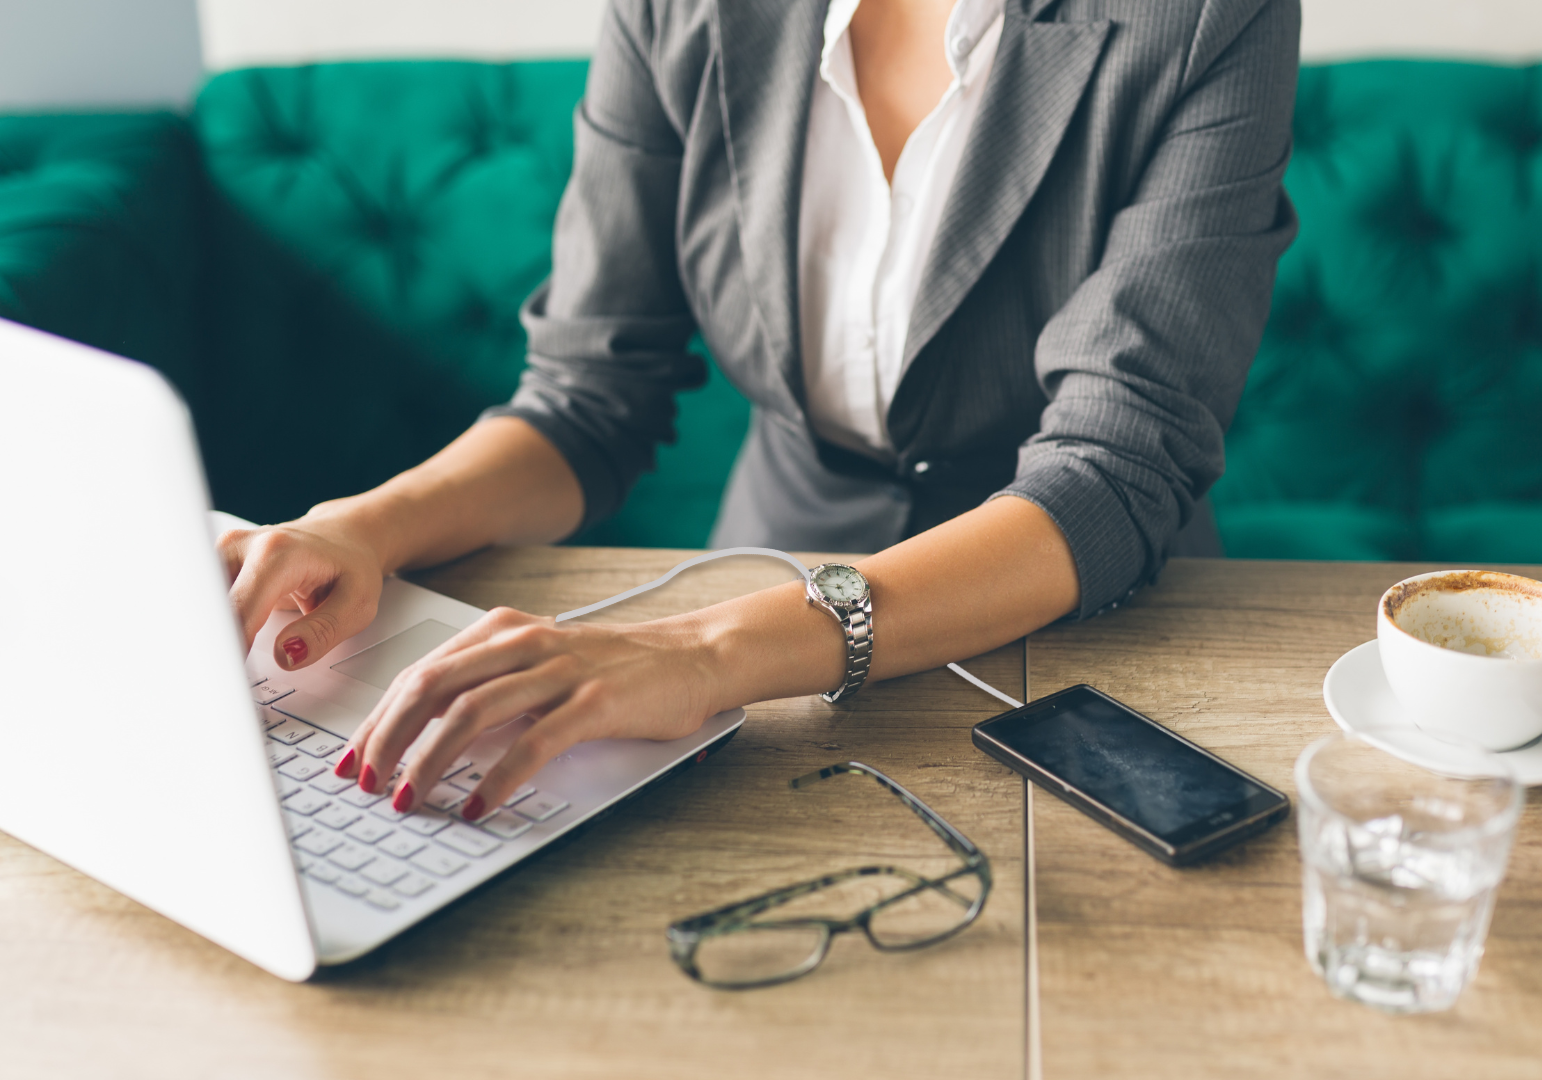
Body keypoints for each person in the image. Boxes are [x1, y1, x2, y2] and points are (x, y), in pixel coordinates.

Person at [220, 0, 1299, 823]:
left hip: (1074, 619)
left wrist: (700, 654)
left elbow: (1115, 472)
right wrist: (359, 526)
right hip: (769, 599)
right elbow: (589, 396)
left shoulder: (1203, 17)